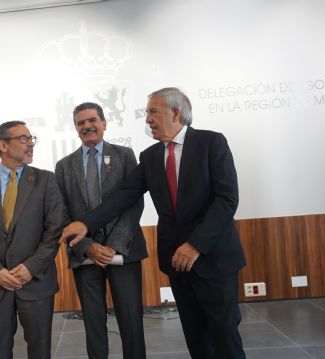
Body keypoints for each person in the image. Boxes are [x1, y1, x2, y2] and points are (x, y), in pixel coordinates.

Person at [61, 88, 246, 358]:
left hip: (213, 258)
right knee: (196, 335)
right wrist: (86, 225)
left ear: (175, 112)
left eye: (152, 112)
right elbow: (123, 197)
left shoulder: (211, 143)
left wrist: (195, 245)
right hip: (177, 263)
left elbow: (227, 201)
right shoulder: (150, 157)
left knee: (224, 332)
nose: (147, 119)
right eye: (147, 113)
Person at [54, 102, 147, 359]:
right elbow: (61, 214)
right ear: (75, 129)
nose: (87, 126)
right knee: (93, 324)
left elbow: (133, 203)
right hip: (85, 254)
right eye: (80, 123)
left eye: (92, 120)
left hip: (123, 251)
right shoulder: (63, 166)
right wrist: (88, 247)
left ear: (104, 123)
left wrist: (113, 246)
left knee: (131, 321)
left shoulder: (124, 155)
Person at [0, 121, 64, 359]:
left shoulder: (46, 180)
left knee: (40, 350)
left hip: (35, 281)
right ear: (3, 145)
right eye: (22, 139)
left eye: (31, 138)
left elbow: (54, 230)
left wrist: (31, 268)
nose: (30, 144)